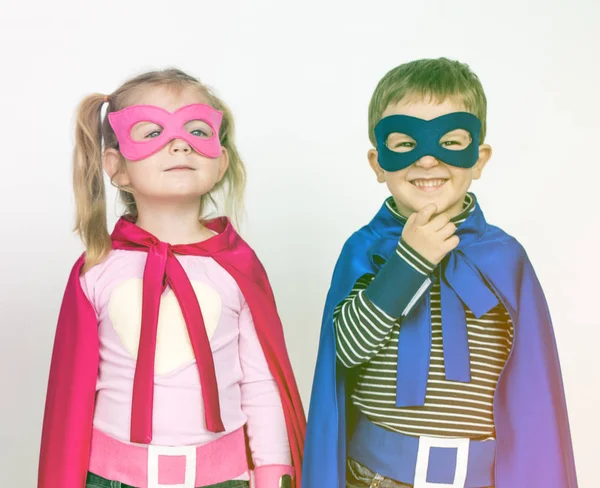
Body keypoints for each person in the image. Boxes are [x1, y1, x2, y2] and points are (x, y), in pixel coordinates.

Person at [303, 58, 577, 487]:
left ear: (480, 158)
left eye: (449, 141)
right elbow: (347, 352)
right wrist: (408, 261)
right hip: (377, 476)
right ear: (378, 163)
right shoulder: (367, 249)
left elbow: (530, 389)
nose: (428, 160)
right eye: (405, 143)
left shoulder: (504, 258)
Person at [38, 68, 305, 488]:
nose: (179, 143)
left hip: (224, 478)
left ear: (220, 162)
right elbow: (73, 398)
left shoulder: (236, 267)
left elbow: (260, 381)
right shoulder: (98, 268)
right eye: (151, 132)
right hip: (111, 478)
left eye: (197, 130)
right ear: (117, 166)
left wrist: (275, 473)